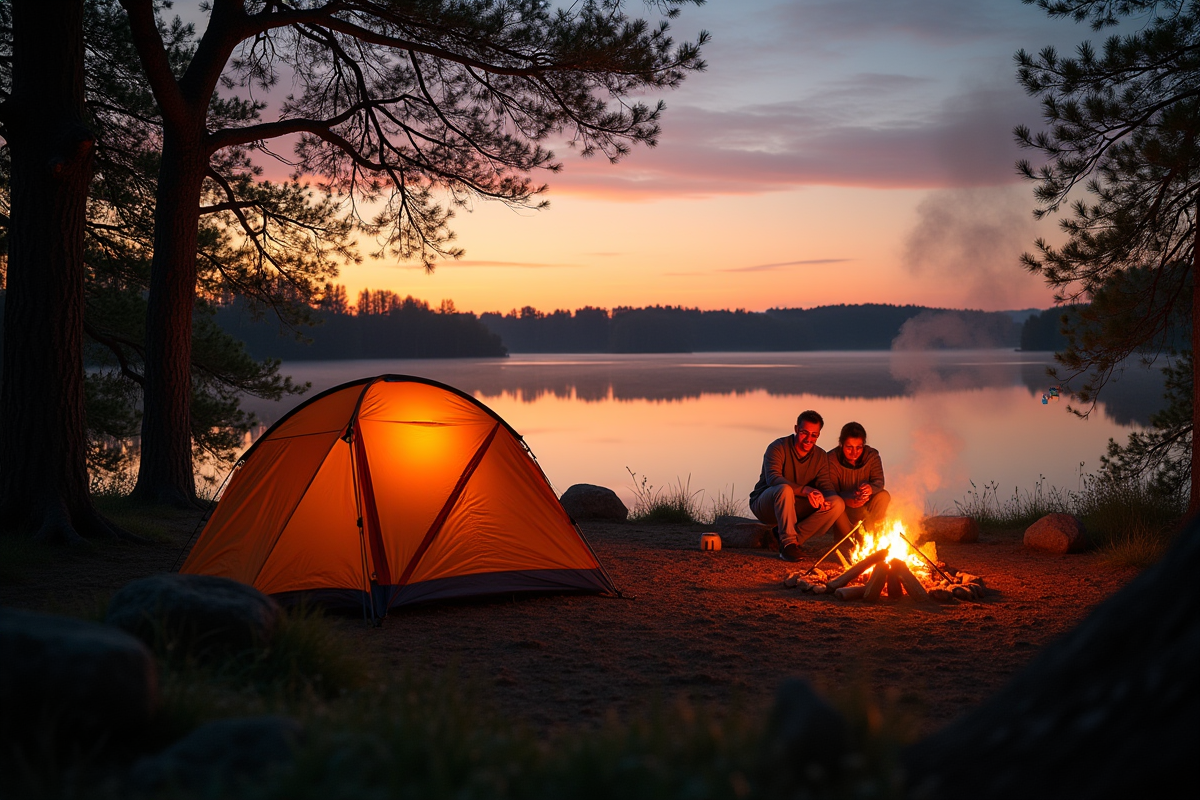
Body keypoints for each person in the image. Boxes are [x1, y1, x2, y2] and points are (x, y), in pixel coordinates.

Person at [749, 409, 844, 562]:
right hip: (767, 503)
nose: (808, 439)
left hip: (796, 506)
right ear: (796, 429)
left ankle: (788, 540)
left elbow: (827, 487)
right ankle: (788, 545)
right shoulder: (777, 447)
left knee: (837, 504)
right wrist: (806, 490)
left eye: (814, 435)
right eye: (804, 433)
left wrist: (824, 498)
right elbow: (773, 478)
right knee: (784, 490)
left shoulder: (820, 456)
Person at [827, 421, 890, 536]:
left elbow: (879, 482)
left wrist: (870, 489)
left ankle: (872, 535)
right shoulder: (831, 459)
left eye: (859, 448)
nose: (854, 453)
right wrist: (847, 498)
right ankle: (849, 538)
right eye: (849, 447)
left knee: (884, 496)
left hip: (866, 506)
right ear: (841, 444)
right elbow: (828, 490)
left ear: (864, 445)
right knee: (836, 502)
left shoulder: (872, 456)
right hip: (844, 509)